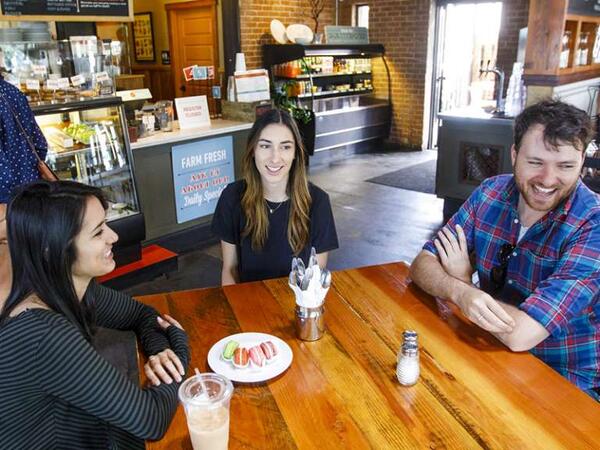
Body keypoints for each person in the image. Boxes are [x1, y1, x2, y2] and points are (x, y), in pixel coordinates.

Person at [410, 100, 600, 400]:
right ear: (514, 155)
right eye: (536, 162)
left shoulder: (593, 224)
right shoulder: (490, 192)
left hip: (561, 382)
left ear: (581, 162)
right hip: (487, 350)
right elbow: (422, 264)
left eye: (565, 166)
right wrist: (461, 292)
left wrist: (463, 282)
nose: (548, 180)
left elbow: (521, 335)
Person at [0, 180, 190, 448]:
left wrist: (161, 354)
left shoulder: (66, 287)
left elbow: (143, 316)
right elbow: (151, 420)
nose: (113, 237)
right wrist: (179, 350)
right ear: (53, 248)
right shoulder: (43, 335)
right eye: (98, 232)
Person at [212, 108, 338, 284]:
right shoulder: (232, 197)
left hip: (297, 306)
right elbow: (229, 270)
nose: (275, 158)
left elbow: (315, 279)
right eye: (265, 146)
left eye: (285, 147)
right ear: (253, 150)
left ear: (295, 153)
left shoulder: (317, 202)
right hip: (248, 305)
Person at [0, 75, 49, 305]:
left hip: (3, 207)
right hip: (29, 197)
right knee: (33, 270)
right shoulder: (12, 92)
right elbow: (40, 145)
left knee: (7, 279)